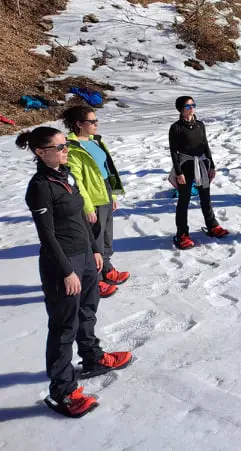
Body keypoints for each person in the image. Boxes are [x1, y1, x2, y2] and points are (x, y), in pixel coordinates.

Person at [18, 127, 132, 418]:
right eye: (59, 147)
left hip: (85, 256)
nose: (65, 150)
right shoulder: (40, 186)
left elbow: (81, 217)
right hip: (62, 264)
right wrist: (67, 270)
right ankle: (62, 392)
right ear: (40, 152)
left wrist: (96, 249)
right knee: (63, 327)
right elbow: (48, 236)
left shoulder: (66, 174)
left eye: (65, 145)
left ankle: (92, 358)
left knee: (88, 311)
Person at [63, 106, 129, 299]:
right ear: (79, 124)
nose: (96, 124)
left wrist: (113, 195)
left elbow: (106, 169)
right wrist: (88, 206)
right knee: (95, 241)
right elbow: (77, 181)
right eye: (92, 122)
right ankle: (96, 279)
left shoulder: (96, 141)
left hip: (105, 192)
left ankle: (107, 269)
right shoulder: (73, 148)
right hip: (92, 199)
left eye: (96, 121)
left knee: (107, 236)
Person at [169, 96, 228, 249]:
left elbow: (205, 145)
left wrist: (212, 165)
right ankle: (182, 234)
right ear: (181, 109)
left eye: (193, 105)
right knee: (184, 200)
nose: (191, 108)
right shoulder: (176, 128)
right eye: (188, 106)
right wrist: (178, 172)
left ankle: (212, 225)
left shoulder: (200, 125)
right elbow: (174, 152)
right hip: (185, 166)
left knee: (205, 198)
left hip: (201, 164)